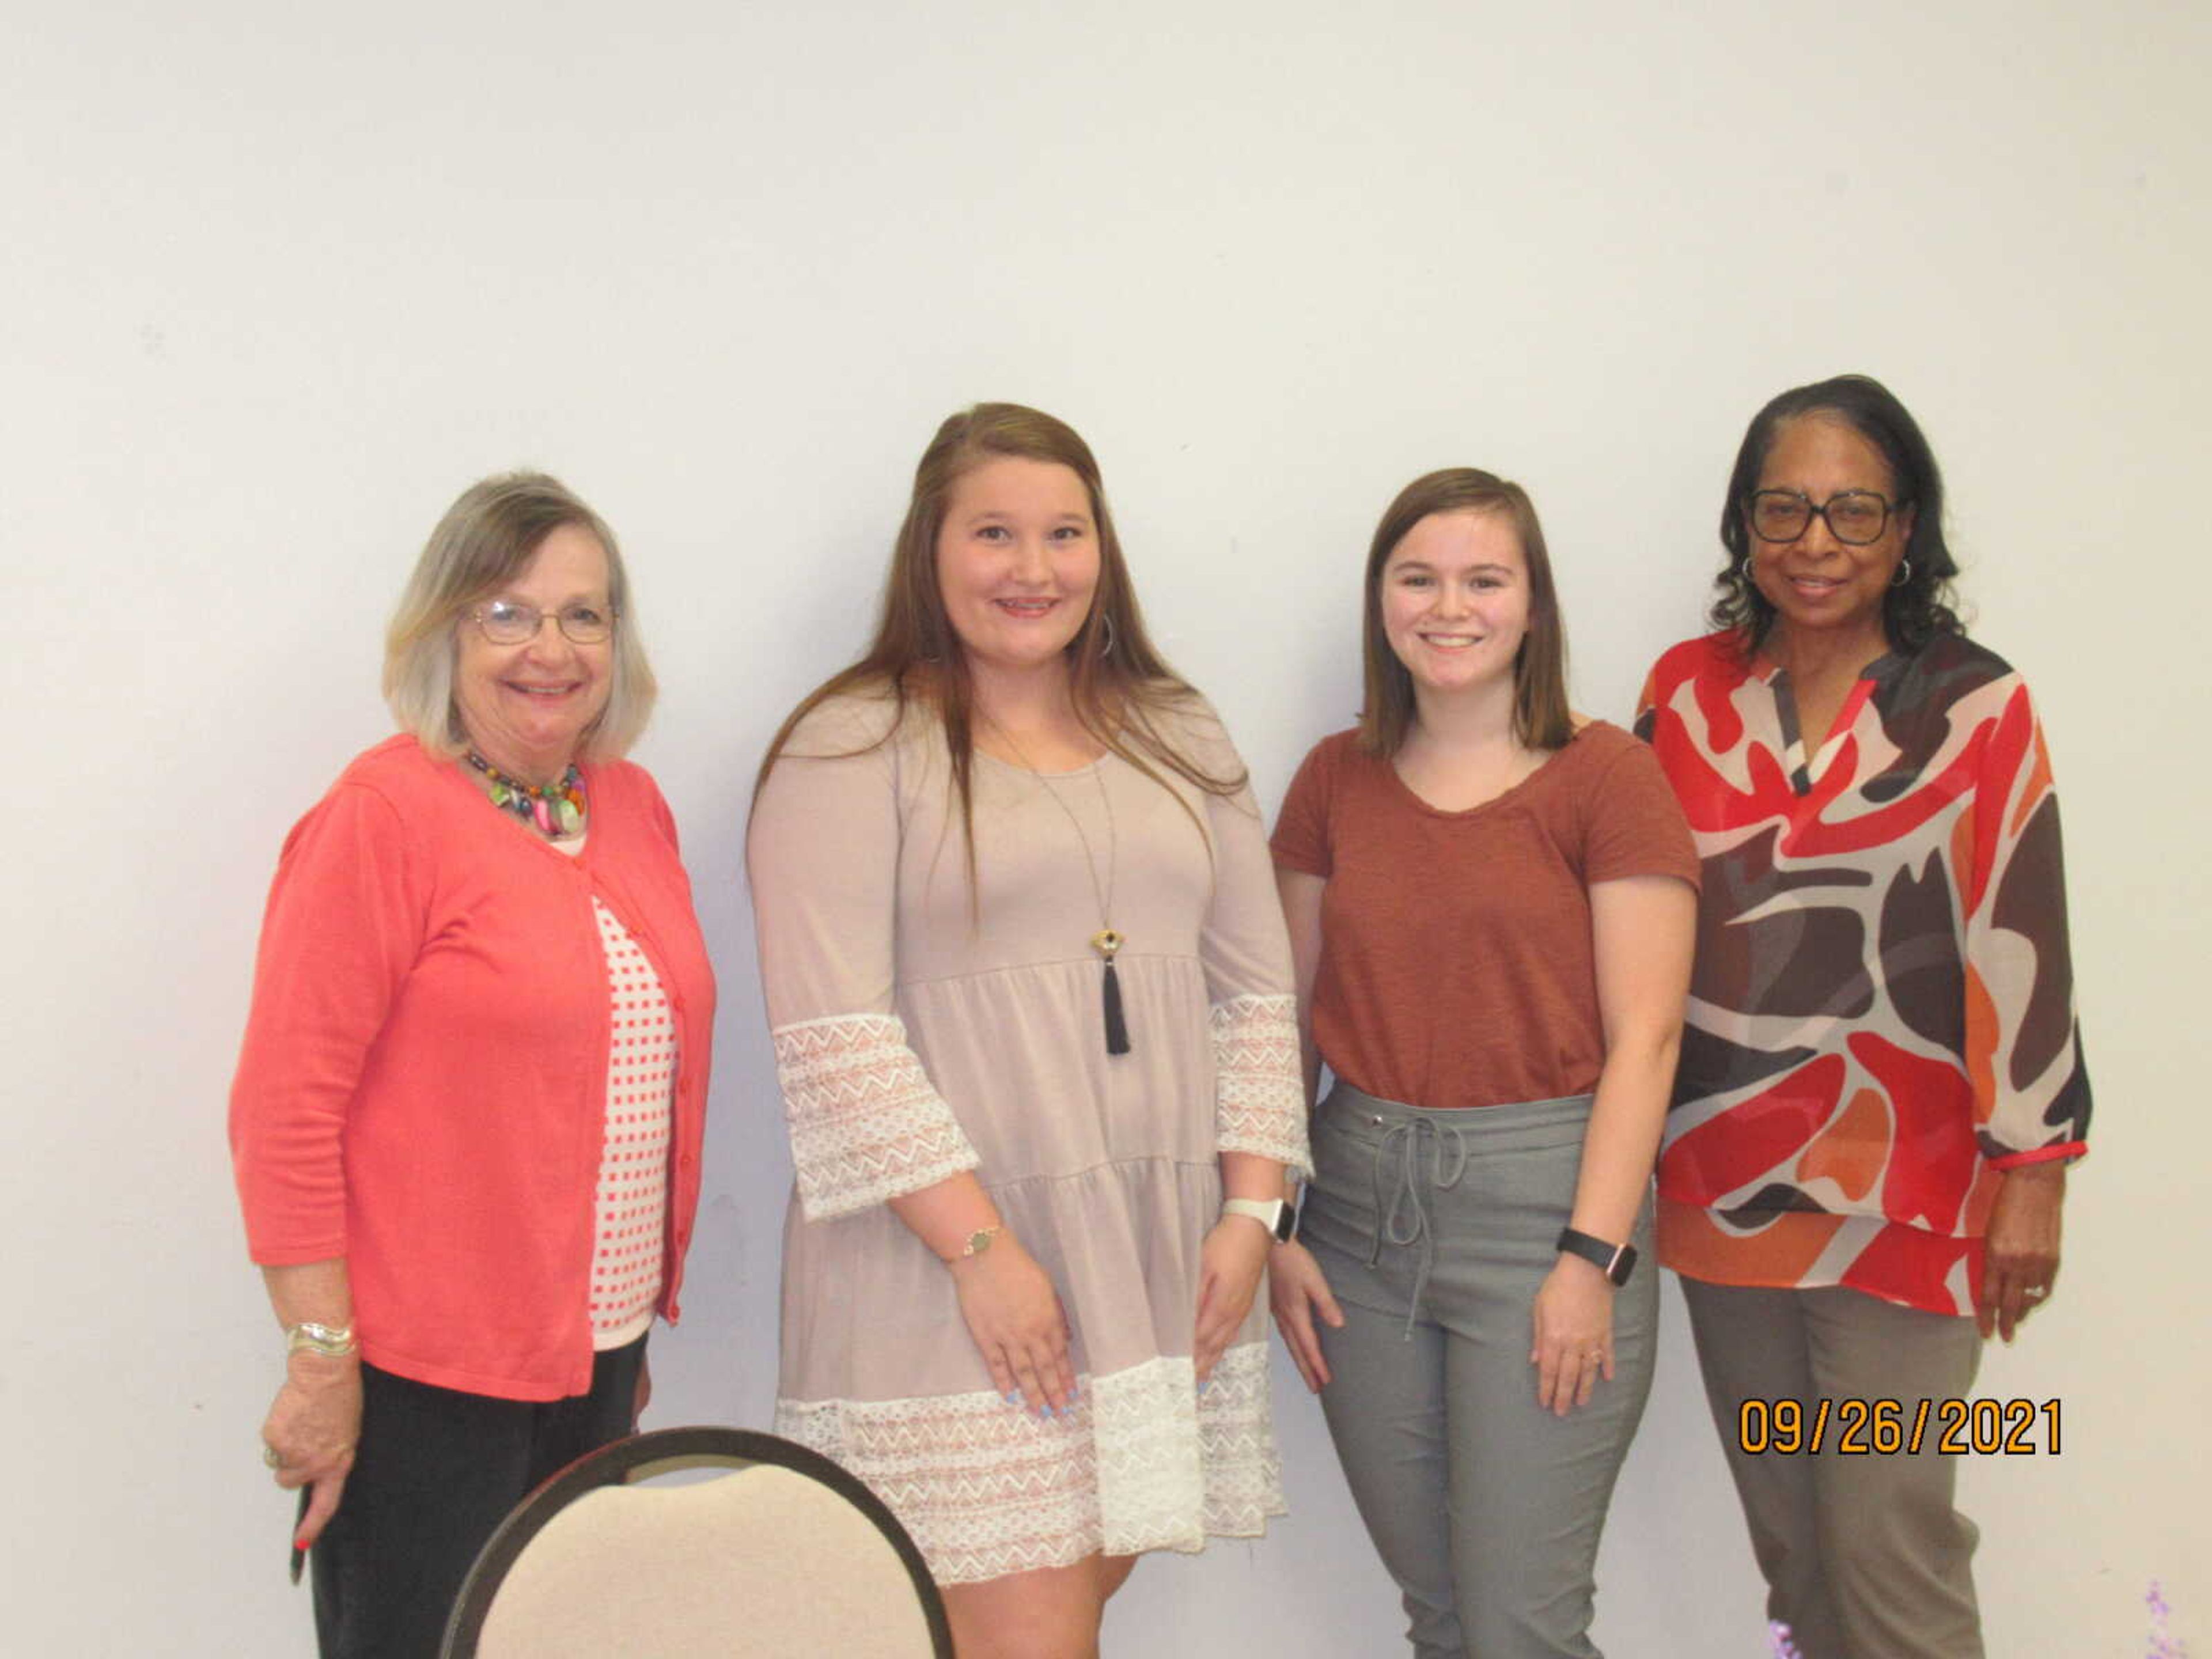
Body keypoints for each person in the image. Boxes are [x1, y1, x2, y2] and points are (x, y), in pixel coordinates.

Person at [747, 403, 1308, 1659]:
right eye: (994, 533)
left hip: (1159, 1258)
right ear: (929, 551)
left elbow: (1257, 998)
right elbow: (836, 1039)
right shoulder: (853, 744)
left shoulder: (1178, 731)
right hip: (951, 1270)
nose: (1033, 568)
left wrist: (1251, 1213)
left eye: (1064, 534)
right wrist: (984, 1253)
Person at [1635, 374, 2092, 1659]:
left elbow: (2026, 932)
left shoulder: (1974, 704)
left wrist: (2038, 1171)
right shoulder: (1682, 691)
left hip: (1914, 1192)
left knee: (1891, 1545)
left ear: (1907, 530)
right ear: (1743, 526)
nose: (1815, 543)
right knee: (1800, 1555)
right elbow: (1628, 914)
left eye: (1852, 511)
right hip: (1722, 1192)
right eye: (1783, 509)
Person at [229, 472, 718, 1657]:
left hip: (596, 1360)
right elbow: (285, 1112)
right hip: (422, 1381)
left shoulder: (633, 805)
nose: (550, 647)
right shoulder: (383, 815)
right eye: (509, 612)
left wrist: (608, 1339)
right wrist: (322, 1360)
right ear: (446, 628)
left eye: (584, 615)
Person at [1267, 468, 1699, 1658]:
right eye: (1418, 577)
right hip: (1356, 1222)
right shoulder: (1330, 782)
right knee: (1445, 1616)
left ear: (1531, 606)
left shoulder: (1607, 777)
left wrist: (1587, 1263)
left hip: (1548, 1217)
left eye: (1483, 579)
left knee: (1521, 1624)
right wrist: (1271, 1224)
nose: (1448, 606)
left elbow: (1647, 1041)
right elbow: (1283, 1024)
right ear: (1381, 601)